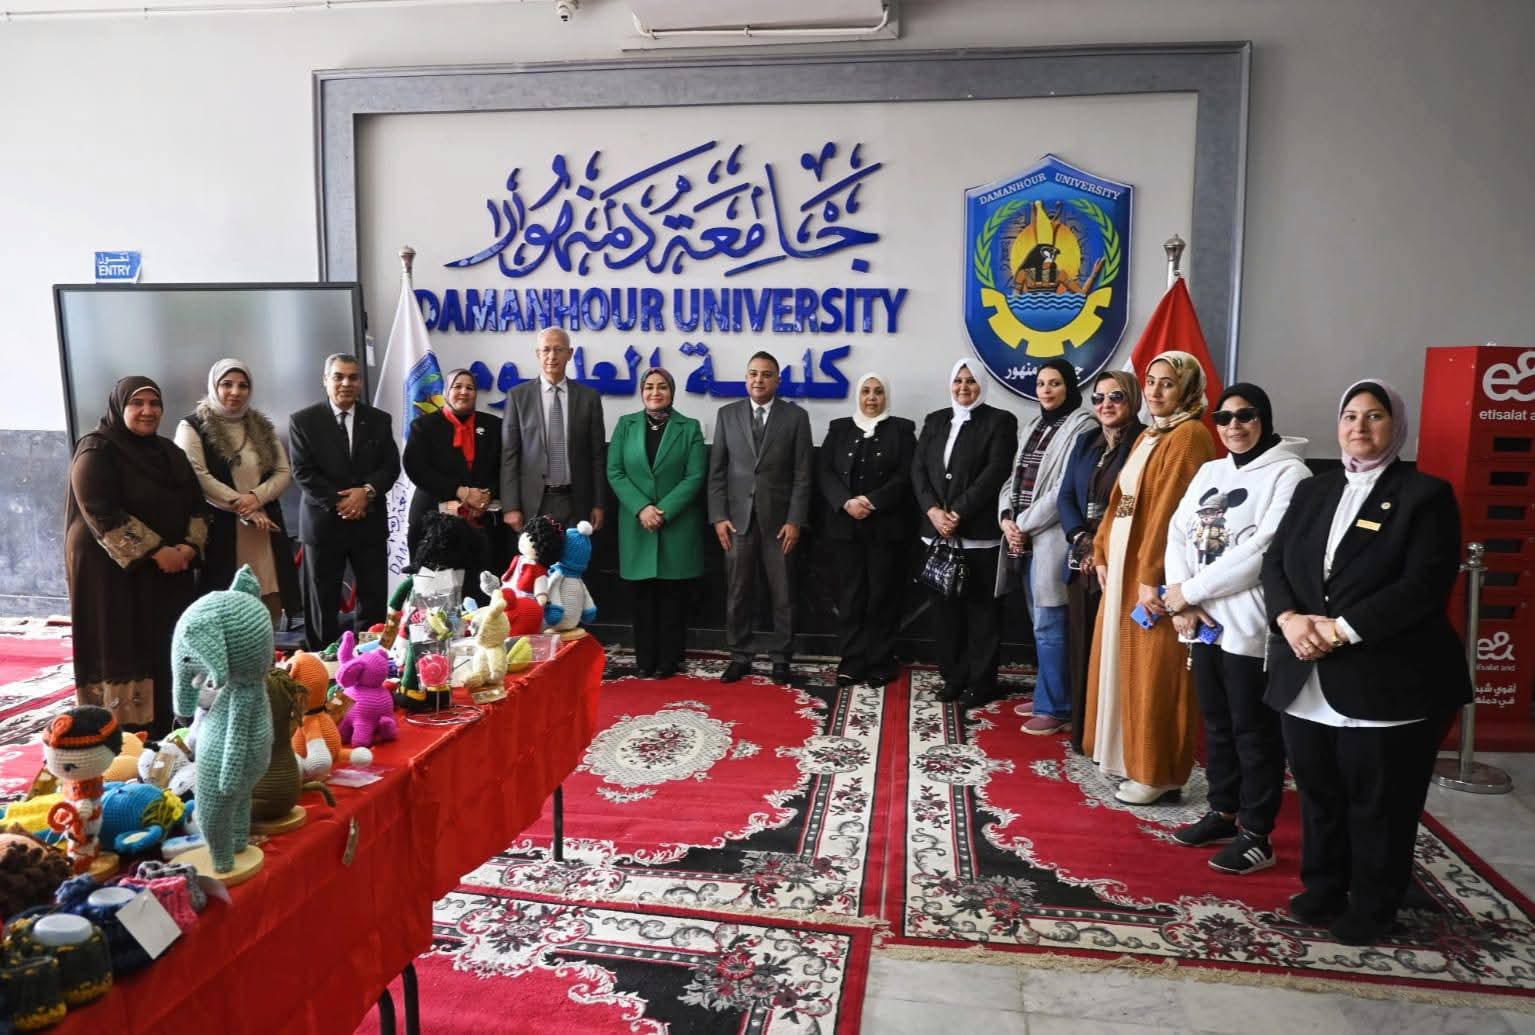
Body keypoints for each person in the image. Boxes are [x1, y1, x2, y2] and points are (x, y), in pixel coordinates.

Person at [1261, 379, 1470, 945]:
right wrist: (1289, 620)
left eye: (1374, 416)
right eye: (1350, 416)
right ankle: (1325, 888)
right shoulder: (1315, 490)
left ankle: (1375, 906)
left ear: (1395, 425)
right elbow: (1275, 563)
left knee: (1380, 804)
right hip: (1307, 673)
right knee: (1319, 793)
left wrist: (1340, 630)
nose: (1360, 427)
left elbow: (1423, 585)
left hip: (1388, 679)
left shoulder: (1425, 496)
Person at [1164, 383, 1309, 874]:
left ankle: (1257, 833)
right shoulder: (1211, 470)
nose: (1234, 426)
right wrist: (1180, 596)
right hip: (1202, 620)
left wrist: (1190, 592)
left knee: (1254, 732)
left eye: (1245, 416)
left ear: (1264, 418)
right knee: (1217, 724)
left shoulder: (1290, 473)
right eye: (1223, 418)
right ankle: (1223, 812)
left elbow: (1263, 549)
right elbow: (1177, 532)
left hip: (1249, 625)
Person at [1084, 352, 1216, 804]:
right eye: (1151, 381)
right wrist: (1102, 550)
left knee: (1156, 670)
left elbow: (1169, 514)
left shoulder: (1189, 436)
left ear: (1188, 389)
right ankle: (1125, 757)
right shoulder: (1150, 434)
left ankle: (1157, 773)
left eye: (1168, 383)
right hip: (1123, 567)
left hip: (1151, 575)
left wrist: (1150, 576)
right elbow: (1120, 500)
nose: (1156, 391)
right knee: (1124, 662)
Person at [66, 376, 207, 737]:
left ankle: (171, 726)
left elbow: (197, 504)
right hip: (111, 574)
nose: (148, 411)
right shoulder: (96, 451)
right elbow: (100, 511)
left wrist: (190, 547)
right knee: (123, 643)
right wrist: (157, 552)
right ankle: (124, 735)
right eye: (137, 403)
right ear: (119, 407)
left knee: (167, 642)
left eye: (154, 404)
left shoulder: (169, 453)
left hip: (170, 571)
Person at [996, 358, 1097, 734]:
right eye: (1041, 384)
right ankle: (1046, 695)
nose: (1047, 390)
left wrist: (1021, 525)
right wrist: (1006, 518)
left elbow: (1063, 490)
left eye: (1055, 383)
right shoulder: (1034, 425)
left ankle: (1057, 707)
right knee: (1039, 621)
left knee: (1051, 622)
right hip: (1023, 539)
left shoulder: (1083, 426)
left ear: (1069, 386)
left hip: (1051, 538)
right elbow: (1013, 478)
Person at [912, 360, 1019, 707]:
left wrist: (957, 512)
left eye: (971, 381)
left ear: (982, 384)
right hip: (938, 536)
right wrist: (933, 511)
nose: (963, 387)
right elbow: (918, 470)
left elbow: (995, 472)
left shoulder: (1000, 421)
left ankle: (981, 682)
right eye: (958, 380)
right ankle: (953, 677)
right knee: (945, 614)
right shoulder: (935, 420)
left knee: (982, 614)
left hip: (978, 536)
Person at [707, 351, 814, 685]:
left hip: (780, 523)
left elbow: (803, 475)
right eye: (753, 373)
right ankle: (740, 655)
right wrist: (718, 516)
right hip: (737, 521)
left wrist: (795, 520)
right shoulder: (727, 415)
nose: (759, 380)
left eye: (766, 374)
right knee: (738, 592)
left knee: (783, 594)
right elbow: (717, 472)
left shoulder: (795, 417)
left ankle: (781, 657)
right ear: (746, 378)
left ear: (778, 381)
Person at [174, 358, 300, 626]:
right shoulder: (192, 426)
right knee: (225, 610)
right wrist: (244, 507)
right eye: (227, 384)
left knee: (267, 608)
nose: (235, 392)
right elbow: (197, 475)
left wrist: (256, 498)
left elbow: (283, 471)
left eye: (243, 385)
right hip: (220, 530)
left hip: (263, 531)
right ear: (213, 386)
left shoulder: (260, 426)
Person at [289, 353, 401, 650]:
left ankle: (369, 659)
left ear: (361, 383)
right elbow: (303, 472)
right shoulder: (303, 421)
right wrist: (342, 503)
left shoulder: (379, 420)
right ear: (326, 380)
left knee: (373, 599)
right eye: (338, 377)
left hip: (369, 521)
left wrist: (366, 492)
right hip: (323, 524)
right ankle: (321, 662)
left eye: (353, 377)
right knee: (321, 601)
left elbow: (390, 466)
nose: (346, 383)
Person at [1057, 371, 1144, 753]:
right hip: (1082, 560)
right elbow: (1065, 497)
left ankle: (1112, 740)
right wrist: (1082, 541)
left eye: (1116, 396)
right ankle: (1083, 735)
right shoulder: (1085, 442)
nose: (1105, 404)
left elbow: (1132, 503)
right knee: (1081, 647)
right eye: (1098, 398)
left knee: (1113, 652)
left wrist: (1103, 547)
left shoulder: (1145, 442)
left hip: (1120, 562)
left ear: (1133, 400)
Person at [816, 372, 916, 686]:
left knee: (882, 597)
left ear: (886, 396)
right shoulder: (839, 429)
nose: (871, 398)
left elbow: (906, 476)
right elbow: (825, 472)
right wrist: (846, 502)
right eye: (866, 392)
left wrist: (872, 501)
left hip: (885, 529)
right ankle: (852, 660)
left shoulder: (902, 431)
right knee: (851, 597)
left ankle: (881, 660)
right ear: (858, 395)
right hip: (845, 529)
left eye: (878, 392)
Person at [606, 368, 707, 678]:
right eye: (649, 387)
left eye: (662, 387)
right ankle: (645, 660)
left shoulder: (689, 427)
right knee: (642, 596)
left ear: (672, 392)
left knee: (672, 596)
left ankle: (669, 661)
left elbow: (695, 476)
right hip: (637, 524)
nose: (655, 392)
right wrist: (642, 508)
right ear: (642, 391)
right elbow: (615, 471)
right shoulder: (625, 425)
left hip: (675, 524)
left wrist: (662, 511)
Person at [402, 367, 504, 599]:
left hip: (481, 518)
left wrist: (485, 496)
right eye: (457, 386)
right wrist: (461, 492)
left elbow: (502, 466)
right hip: (432, 517)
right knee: (435, 596)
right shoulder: (424, 426)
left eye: (470, 387)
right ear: (446, 392)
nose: (464, 392)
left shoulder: (493, 425)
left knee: (480, 592)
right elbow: (416, 468)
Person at [500, 328, 606, 533]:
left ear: (570, 353)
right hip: (533, 502)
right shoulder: (518, 397)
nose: (552, 356)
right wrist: (511, 506)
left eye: (559, 349)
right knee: (535, 554)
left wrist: (599, 504)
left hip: (577, 501)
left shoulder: (589, 398)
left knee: (576, 554)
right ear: (537, 354)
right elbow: (509, 456)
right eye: (546, 349)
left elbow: (597, 456)